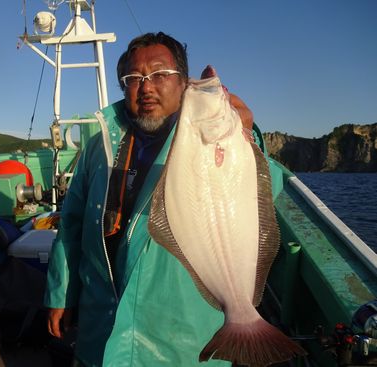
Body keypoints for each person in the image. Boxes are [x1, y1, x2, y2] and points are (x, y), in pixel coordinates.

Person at [44, 32, 261, 366]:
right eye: (134, 79)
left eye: (160, 75)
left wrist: (247, 138)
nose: (146, 87)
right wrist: (62, 293)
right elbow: (71, 224)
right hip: (99, 330)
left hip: (183, 343)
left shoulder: (214, 138)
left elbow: (262, 189)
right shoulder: (98, 147)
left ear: (183, 83)